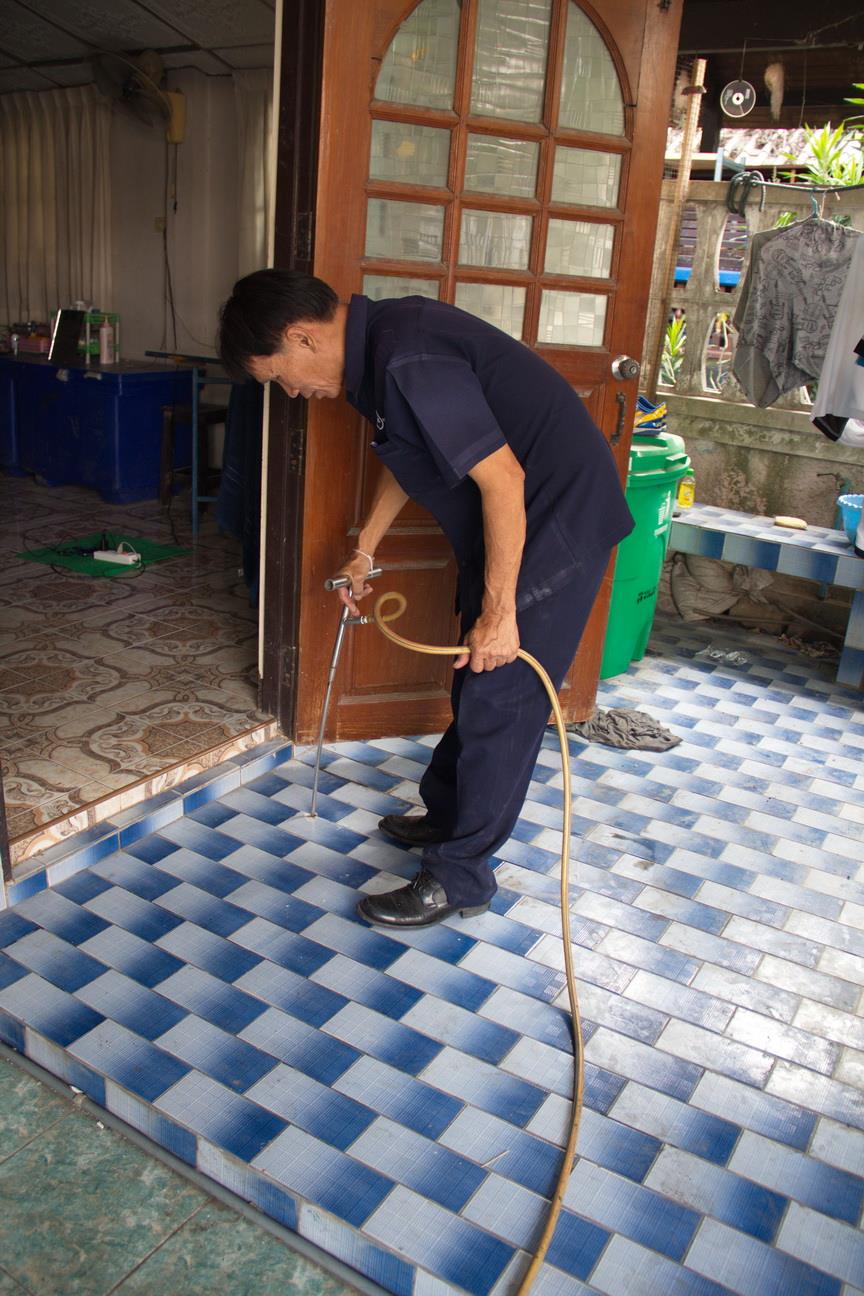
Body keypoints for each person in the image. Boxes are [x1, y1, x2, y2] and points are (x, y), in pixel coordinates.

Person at [218, 269, 634, 929]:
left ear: (301, 337)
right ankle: (447, 815)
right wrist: (365, 549)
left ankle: (460, 879)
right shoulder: (379, 353)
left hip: (555, 521)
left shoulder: (406, 356)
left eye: (280, 377)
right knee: (476, 676)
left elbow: (503, 480)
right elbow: (410, 454)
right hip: (519, 517)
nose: (291, 391)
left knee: (502, 694)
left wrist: (501, 614)